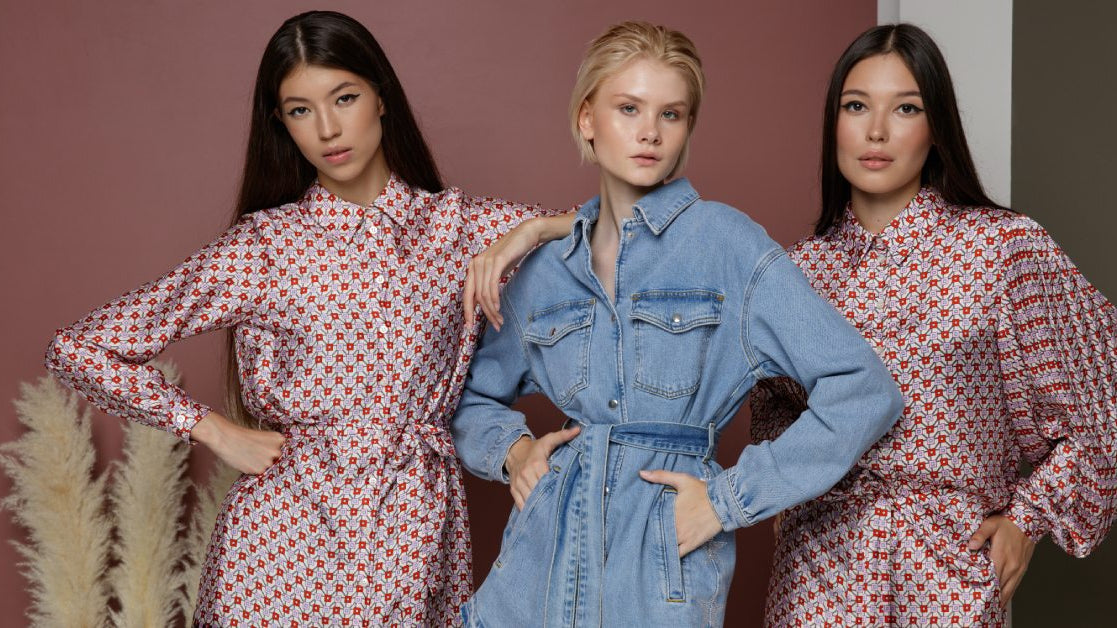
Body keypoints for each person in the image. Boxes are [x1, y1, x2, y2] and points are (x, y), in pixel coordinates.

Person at [44, 10, 572, 626]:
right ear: (282, 123)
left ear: (381, 97)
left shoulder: (462, 227)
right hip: (278, 547)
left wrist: (534, 230)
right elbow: (78, 347)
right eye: (300, 110)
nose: (327, 128)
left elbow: (626, 236)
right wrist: (211, 429)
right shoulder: (263, 246)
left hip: (414, 528)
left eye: (344, 98)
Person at [450, 21, 904, 627]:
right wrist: (516, 451)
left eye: (672, 114)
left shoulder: (726, 244)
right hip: (540, 563)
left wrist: (728, 501)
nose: (649, 132)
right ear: (588, 119)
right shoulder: (546, 272)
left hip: (660, 562)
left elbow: (863, 389)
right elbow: (469, 396)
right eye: (628, 107)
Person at [750, 23, 1117, 626]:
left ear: (935, 126)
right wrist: (780, 494)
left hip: (948, 567)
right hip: (818, 568)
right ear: (833, 122)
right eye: (856, 106)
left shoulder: (1003, 248)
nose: (875, 131)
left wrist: (1026, 521)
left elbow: (1100, 399)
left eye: (906, 108)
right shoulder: (793, 272)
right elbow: (773, 410)